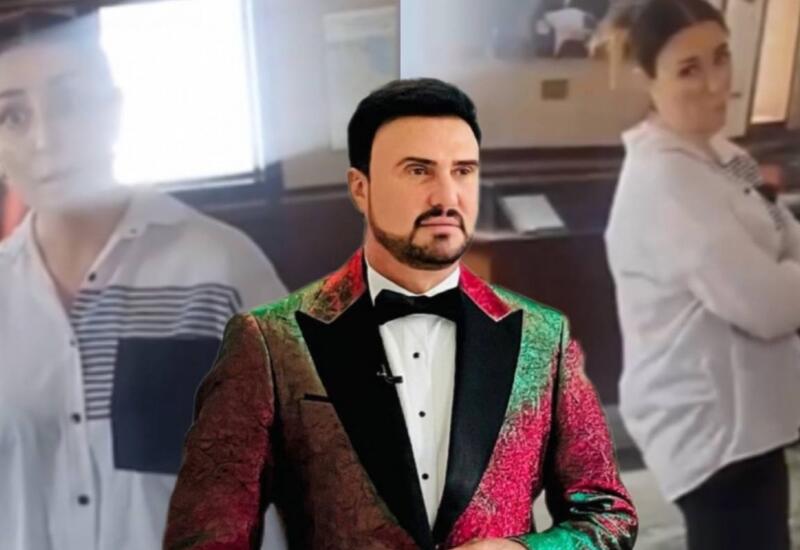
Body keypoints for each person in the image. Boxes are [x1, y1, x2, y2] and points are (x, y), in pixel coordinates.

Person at [164, 77, 637, 550]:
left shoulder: (543, 336)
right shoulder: (269, 341)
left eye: (463, 171)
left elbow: (608, 514)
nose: (447, 197)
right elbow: (205, 537)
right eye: (418, 170)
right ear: (361, 188)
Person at [0, 11, 287, 550]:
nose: (45, 139)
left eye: (69, 102)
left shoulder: (219, 268)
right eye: (13, 115)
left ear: (113, 111)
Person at [604, 1, 800, 548]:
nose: (716, 84)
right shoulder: (665, 179)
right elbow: (766, 306)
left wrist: (781, 270)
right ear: (648, 79)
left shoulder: (724, 154)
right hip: (711, 426)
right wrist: (781, 275)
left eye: (721, 57)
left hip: (753, 418)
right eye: (689, 69)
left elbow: (785, 231)